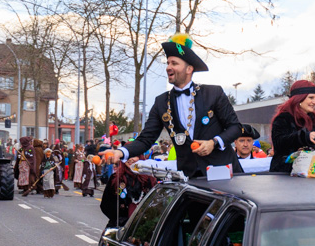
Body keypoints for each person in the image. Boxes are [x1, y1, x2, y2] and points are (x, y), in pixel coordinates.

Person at [103, 33, 242, 178]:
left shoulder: (213, 93)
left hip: (223, 173)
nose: (168, 67)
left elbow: (235, 127)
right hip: (190, 176)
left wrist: (214, 143)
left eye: (174, 63)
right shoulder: (161, 102)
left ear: (189, 69)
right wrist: (120, 152)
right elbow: (146, 139)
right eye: (167, 63)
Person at [269, 80, 315, 173]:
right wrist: (304, 137)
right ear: (299, 98)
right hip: (284, 173)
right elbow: (279, 142)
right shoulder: (283, 118)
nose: (314, 102)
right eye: (311, 98)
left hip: (309, 172)